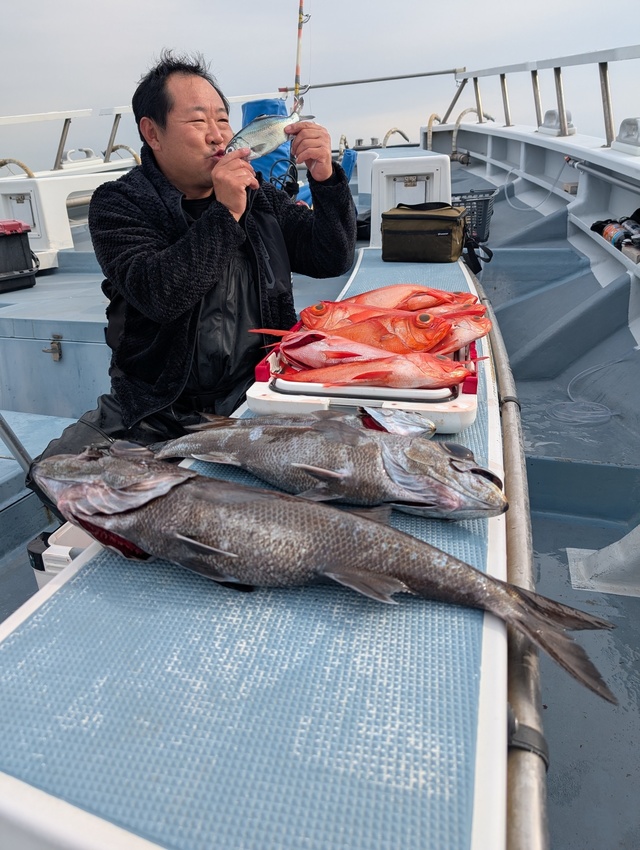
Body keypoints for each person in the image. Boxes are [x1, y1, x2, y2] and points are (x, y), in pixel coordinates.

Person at [26, 49, 357, 516]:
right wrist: (225, 213)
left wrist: (325, 179)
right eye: (199, 120)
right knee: (50, 478)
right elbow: (162, 294)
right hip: (157, 409)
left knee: (323, 493)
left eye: (223, 119)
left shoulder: (257, 195)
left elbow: (331, 257)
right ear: (152, 132)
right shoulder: (120, 204)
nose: (219, 134)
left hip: (257, 396)